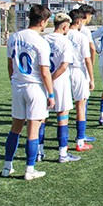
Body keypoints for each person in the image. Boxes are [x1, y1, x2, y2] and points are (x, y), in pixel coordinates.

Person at [2, 4, 53, 180]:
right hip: (35, 87)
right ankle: (29, 170)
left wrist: (14, 81)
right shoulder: (41, 41)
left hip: (18, 85)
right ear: (43, 21)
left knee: (15, 128)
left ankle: (7, 166)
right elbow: (45, 71)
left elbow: (10, 65)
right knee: (33, 130)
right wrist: (51, 94)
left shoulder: (14, 37)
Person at [43, 13, 81, 163]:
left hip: (44, 81)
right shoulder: (65, 42)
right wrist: (52, 80)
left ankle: (39, 151)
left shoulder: (44, 39)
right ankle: (62, 153)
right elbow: (64, 66)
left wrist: (47, 80)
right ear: (65, 26)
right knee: (62, 116)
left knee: (42, 117)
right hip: (59, 81)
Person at [67, 9, 95, 152]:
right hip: (78, 70)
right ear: (78, 21)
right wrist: (91, 78)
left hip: (63, 72)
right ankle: (80, 140)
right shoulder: (81, 36)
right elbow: (87, 58)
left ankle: (62, 143)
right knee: (80, 106)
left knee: (62, 109)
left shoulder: (61, 35)